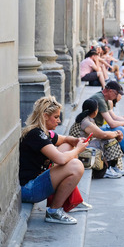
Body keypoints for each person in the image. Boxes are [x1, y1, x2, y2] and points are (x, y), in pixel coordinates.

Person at [19, 96, 91, 225]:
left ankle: (70, 198)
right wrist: (78, 150)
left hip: (35, 181)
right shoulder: (36, 134)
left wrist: (74, 141)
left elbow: (63, 140)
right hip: (28, 189)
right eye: (56, 117)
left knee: (68, 146)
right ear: (45, 116)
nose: (59, 121)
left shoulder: (42, 132)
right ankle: (54, 212)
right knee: (76, 166)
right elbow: (61, 159)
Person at [72, 98, 124, 179]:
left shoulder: (87, 119)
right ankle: (108, 169)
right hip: (81, 149)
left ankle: (113, 167)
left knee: (108, 139)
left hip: (83, 144)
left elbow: (99, 133)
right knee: (109, 140)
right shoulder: (85, 122)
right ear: (95, 111)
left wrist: (115, 134)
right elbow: (103, 135)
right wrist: (116, 133)